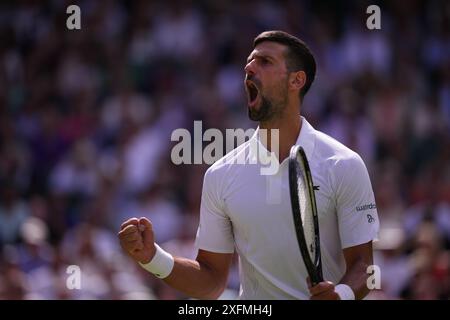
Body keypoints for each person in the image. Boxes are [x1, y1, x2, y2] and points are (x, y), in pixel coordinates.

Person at [118, 30, 380, 300]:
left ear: (296, 80)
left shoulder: (345, 165)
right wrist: (152, 257)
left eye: (265, 62)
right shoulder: (220, 175)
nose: (249, 68)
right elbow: (211, 280)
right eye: (248, 63)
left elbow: (365, 266)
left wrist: (341, 295)